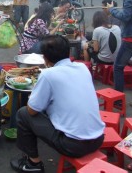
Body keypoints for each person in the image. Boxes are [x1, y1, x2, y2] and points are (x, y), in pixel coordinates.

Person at [10, 35, 105, 173]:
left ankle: (33, 163)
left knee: (23, 113)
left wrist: (35, 98)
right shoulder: (83, 68)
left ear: (45, 58)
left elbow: (31, 111)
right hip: (98, 139)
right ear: (67, 52)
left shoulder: (48, 75)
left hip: (73, 146)